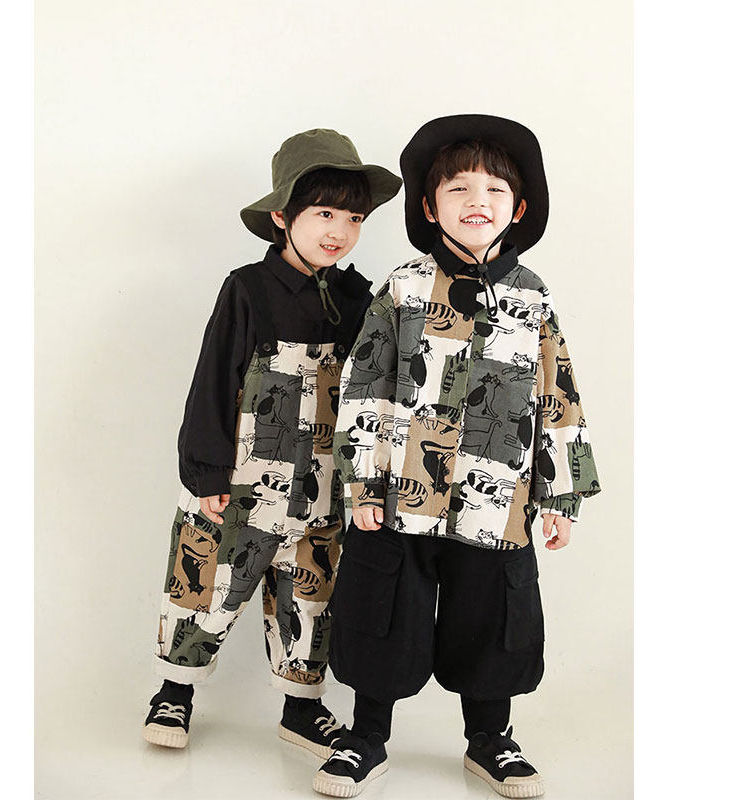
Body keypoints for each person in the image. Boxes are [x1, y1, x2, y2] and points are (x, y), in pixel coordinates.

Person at [314, 115, 601, 798]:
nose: (478, 201)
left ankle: (490, 740)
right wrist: (364, 483)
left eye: (496, 189)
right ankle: (365, 736)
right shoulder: (403, 289)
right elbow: (363, 385)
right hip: (400, 495)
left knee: (492, 618)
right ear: (429, 205)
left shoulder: (532, 296)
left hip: (498, 500)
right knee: (384, 610)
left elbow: (556, 393)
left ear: (518, 207)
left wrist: (561, 496)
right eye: (459, 188)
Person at [142, 129, 401, 756]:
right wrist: (206, 473)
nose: (339, 231)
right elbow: (212, 380)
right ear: (283, 216)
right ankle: (174, 692)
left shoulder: (358, 299)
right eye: (324, 214)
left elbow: (372, 393)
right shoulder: (248, 289)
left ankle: (301, 707)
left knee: (310, 595)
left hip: (323, 489)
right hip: (240, 485)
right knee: (206, 586)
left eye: (354, 218)